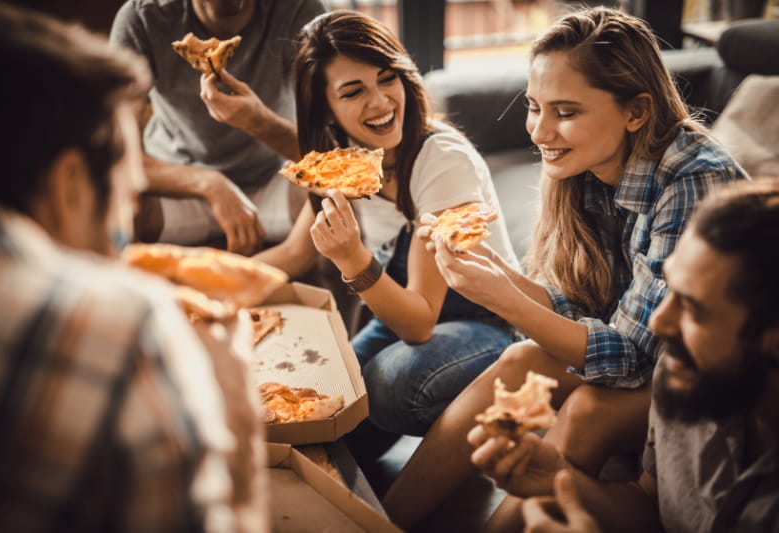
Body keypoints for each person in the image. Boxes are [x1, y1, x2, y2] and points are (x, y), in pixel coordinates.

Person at [383, 6, 747, 529]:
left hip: (712, 376)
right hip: (645, 361)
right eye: (534, 107)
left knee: (587, 411)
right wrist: (493, 269)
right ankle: (379, 523)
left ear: (636, 111)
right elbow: (575, 308)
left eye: (565, 112)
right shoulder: (587, 167)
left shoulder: (693, 181)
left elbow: (632, 358)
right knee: (520, 360)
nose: (539, 131)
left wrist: (502, 298)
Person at [0, 5, 266, 531]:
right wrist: (238, 412)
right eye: (125, 195)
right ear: (70, 184)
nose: (121, 231)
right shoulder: (128, 330)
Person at [254, 10, 521, 445]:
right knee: (325, 407)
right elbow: (293, 254)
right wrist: (203, 289)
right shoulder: (344, 163)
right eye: (353, 91)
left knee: (390, 385)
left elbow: (420, 323)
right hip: (399, 310)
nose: (380, 102)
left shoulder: (441, 160)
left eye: (387, 78)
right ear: (327, 111)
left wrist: (352, 259)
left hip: (488, 321)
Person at [468, 178, 779, 532]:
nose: (659, 322)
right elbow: (648, 503)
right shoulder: (683, 372)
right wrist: (558, 475)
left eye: (693, 309)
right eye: (670, 290)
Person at [109, 0, 325, 254]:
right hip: (178, 189)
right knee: (119, 204)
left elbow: (330, 153)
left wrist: (259, 122)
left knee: (332, 202)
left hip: (273, 180)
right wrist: (209, 184)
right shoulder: (142, 18)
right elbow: (115, 152)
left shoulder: (299, 11)